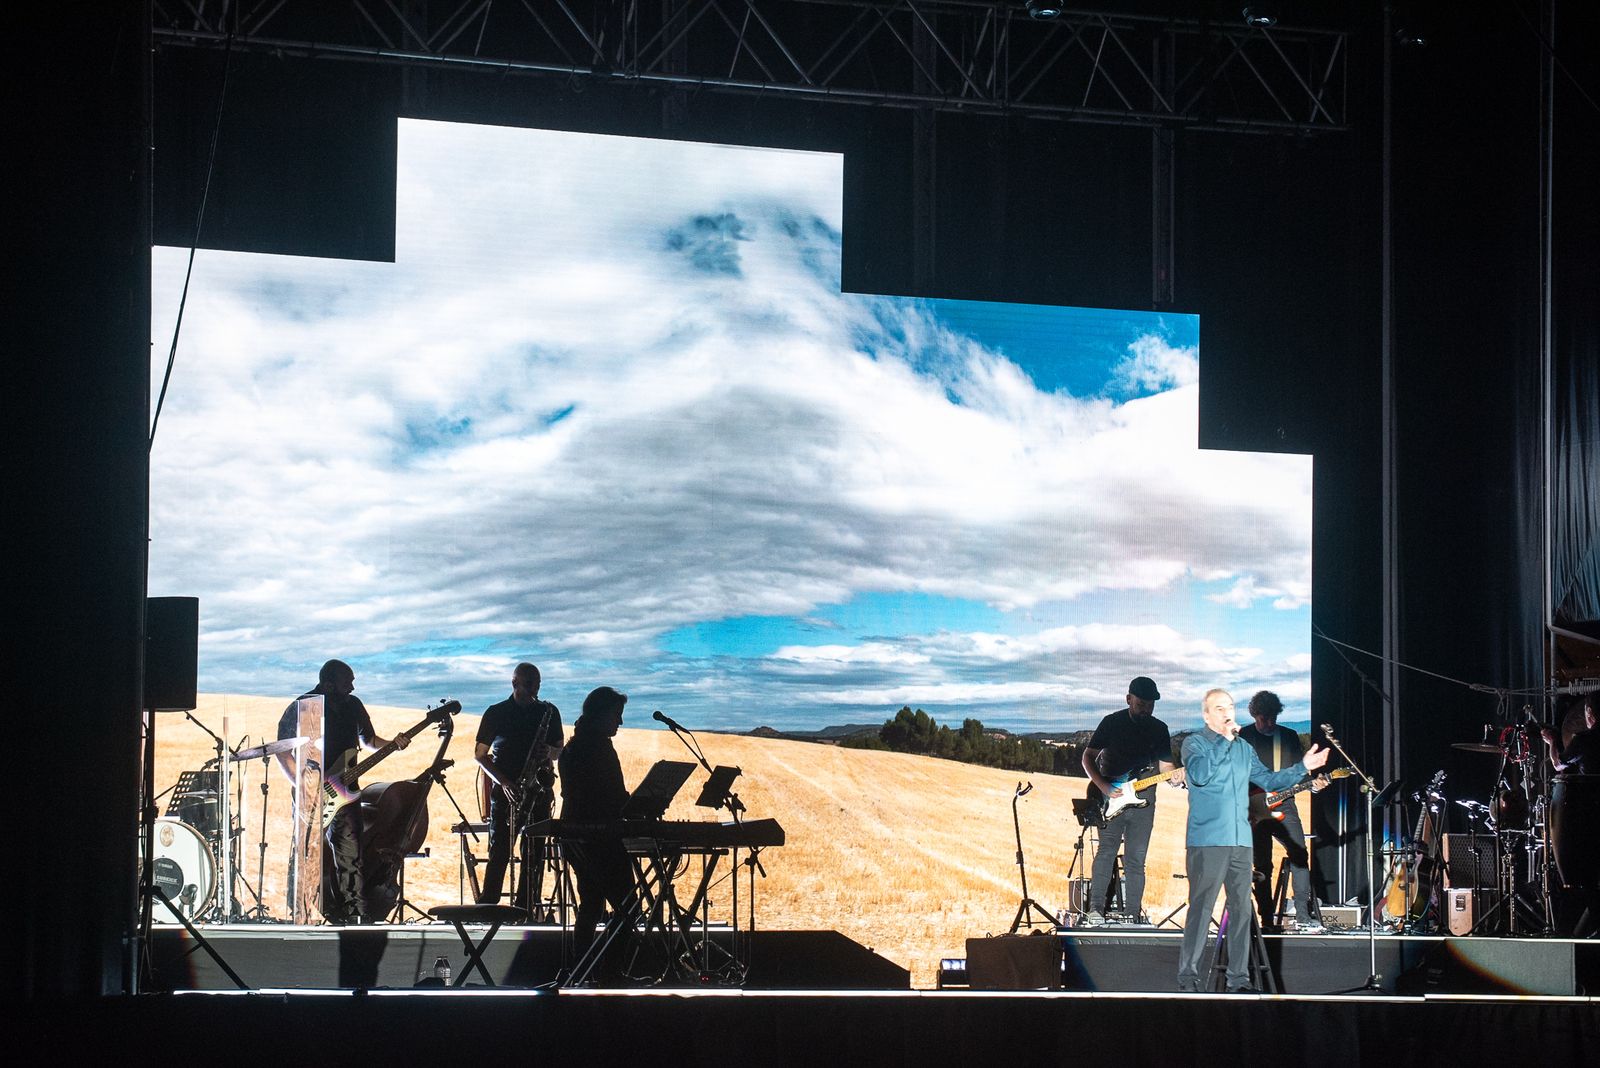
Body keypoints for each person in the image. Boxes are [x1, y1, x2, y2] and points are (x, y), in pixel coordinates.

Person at [1176, 688, 1329, 993]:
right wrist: (1225, 741)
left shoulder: (1244, 748)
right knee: (1202, 907)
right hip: (1208, 839)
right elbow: (1202, 775)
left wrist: (1303, 768)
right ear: (1206, 715)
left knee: (1242, 910)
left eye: (1229, 707)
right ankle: (1188, 980)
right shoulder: (1194, 744)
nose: (1226, 713)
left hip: (1241, 839)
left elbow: (1269, 781)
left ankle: (1238, 981)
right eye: (1219, 708)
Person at [275, 659, 410, 924]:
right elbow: (281, 749)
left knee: (351, 856)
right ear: (328, 683)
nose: (352, 685)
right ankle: (300, 914)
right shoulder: (304, 705)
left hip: (346, 792)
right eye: (347, 681)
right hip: (311, 794)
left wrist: (393, 744)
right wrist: (301, 784)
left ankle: (354, 915)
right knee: (306, 854)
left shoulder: (353, 705)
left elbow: (368, 740)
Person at [1080, 676, 1181, 923]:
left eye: (1150, 705)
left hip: (1145, 801)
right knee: (1106, 852)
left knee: (1136, 860)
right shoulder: (1112, 723)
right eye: (1141, 704)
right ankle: (1095, 911)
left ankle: (1132, 916)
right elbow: (1088, 757)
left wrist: (1177, 776)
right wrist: (1103, 786)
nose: (1146, 709)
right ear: (1129, 699)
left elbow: (1166, 767)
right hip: (1111, 797)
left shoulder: (1159, 729)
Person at [557, 685, 638, 981]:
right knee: (629, 907)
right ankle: (610, 974)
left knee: (591, 905)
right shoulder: (598, 747)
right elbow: (612, 797)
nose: (620, 722)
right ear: (602, 714)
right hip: (599, 840)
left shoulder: (575, 745)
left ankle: (584, 972)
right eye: (617, 715)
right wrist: (639, 808)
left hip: (577, 837)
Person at [474, 662, 564, 911]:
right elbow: (480, 755)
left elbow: (559, 751)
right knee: (500, 851)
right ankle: (488, 907)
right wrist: (504, 782)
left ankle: (526, 906)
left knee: (534, 852)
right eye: (530, 684)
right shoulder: (496, 712)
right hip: (507, 791)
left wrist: (550, 751)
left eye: (537, 684)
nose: (535, 689)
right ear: (515, 683)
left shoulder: (548, 711)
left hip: (539, 791)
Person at [1238, 690, 1323, 932]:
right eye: (1264, 718)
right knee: (1262, 865)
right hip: (1253, 805)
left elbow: (1299, 772)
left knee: (1299, 853)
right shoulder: (1243, 736)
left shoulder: (1288, 736)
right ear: (1255, 715)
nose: (1269, 723)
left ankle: (1303, 915)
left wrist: (1313, 784)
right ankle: (1266, 919)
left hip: (1285, 803)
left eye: (1273, 717)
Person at [1541, 694, 1598, 775]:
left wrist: (1551, 741)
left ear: (1589, 712)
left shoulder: (1582, 740)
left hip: (1591, 786)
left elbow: (1558, 764)